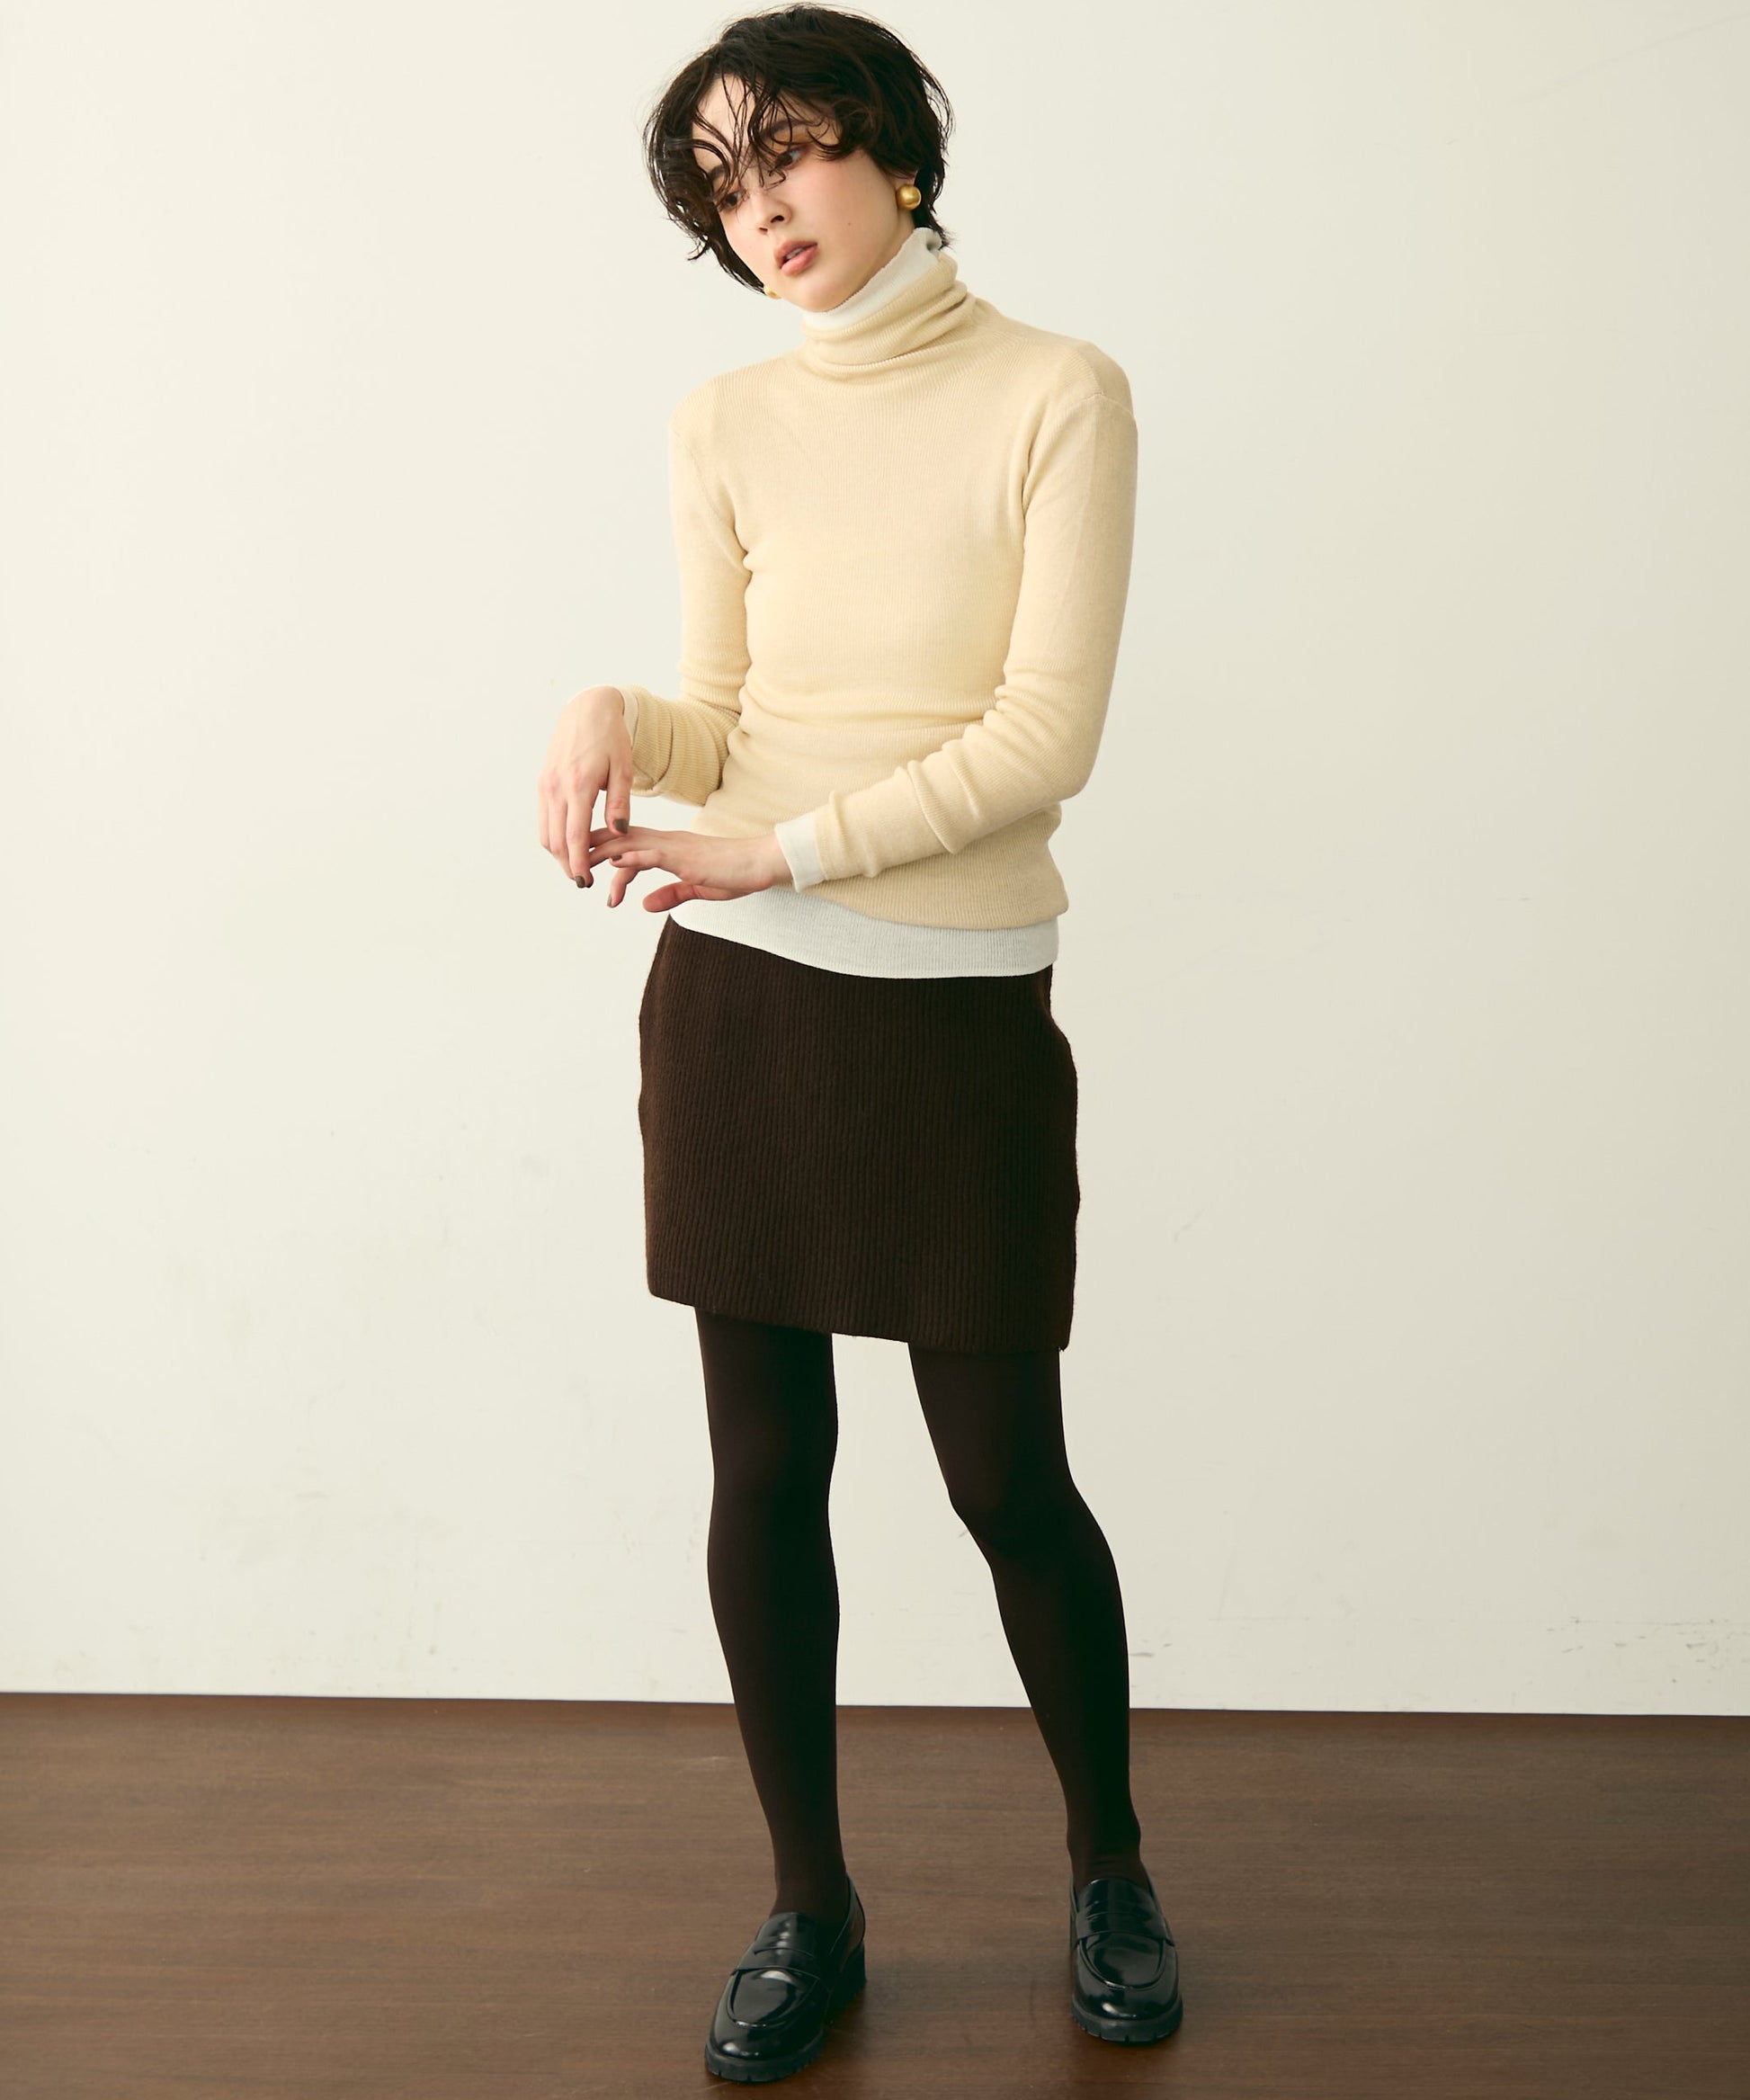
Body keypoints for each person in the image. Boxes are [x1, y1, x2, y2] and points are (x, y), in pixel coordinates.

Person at [535, 6, 1181, 2081]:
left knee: (1007, 1479)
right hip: (740, 995)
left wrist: (780, 846)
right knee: (765, 1471)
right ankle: (808, 1905)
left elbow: (1041, 737)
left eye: (793, 149)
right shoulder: (724, 420)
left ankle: (1108, 1867)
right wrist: (611, 718)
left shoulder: (1056, 394)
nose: (764, 208)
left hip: (948, 1002)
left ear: (897, 148)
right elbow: (726, 712)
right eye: (721, 185)